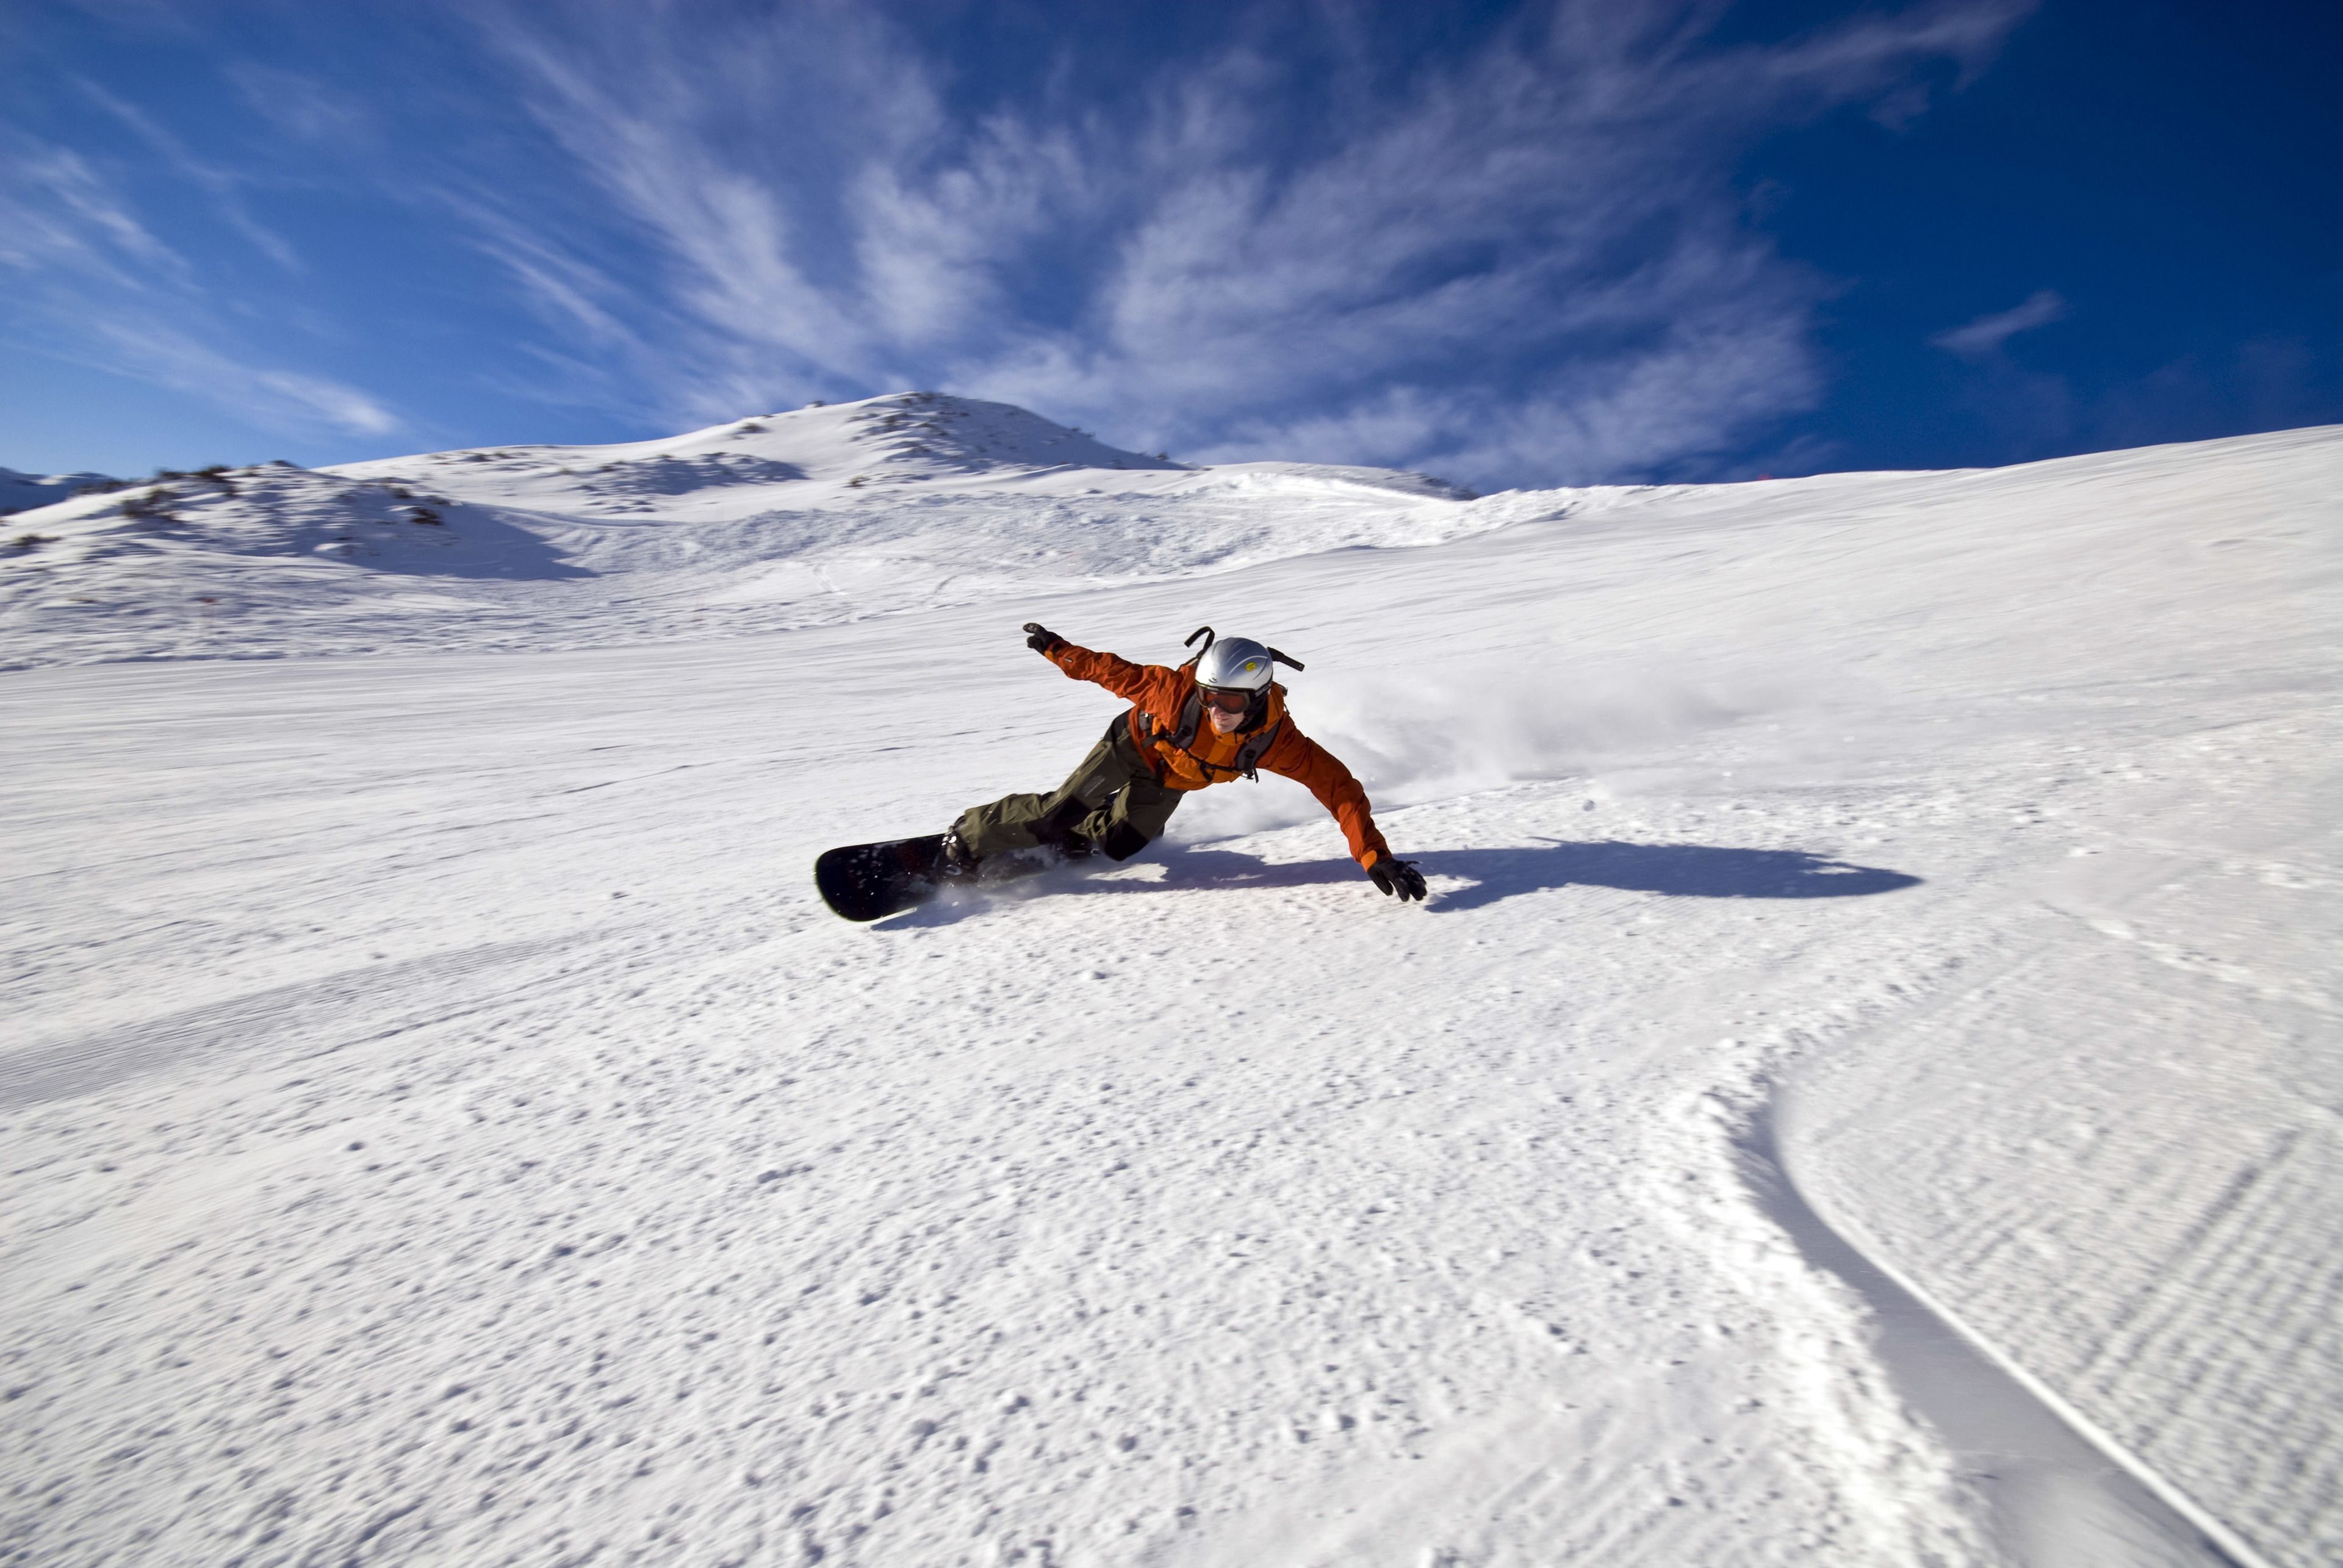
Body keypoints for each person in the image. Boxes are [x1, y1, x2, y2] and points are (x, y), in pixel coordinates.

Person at [941, 623, 1429, 902]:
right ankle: (968, 837)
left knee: (1123, 845)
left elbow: (1339, 788)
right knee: (1056, 814)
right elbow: (1111, 671)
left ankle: (1076, 836)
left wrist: (1374, 855)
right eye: (1210, 697)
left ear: (1258, 699)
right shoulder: (1173, 694)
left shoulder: (1279, 742)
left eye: (1232, 704)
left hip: (1170, 781)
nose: (1218, 711)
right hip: (1128, 747)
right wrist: (1058, 650)